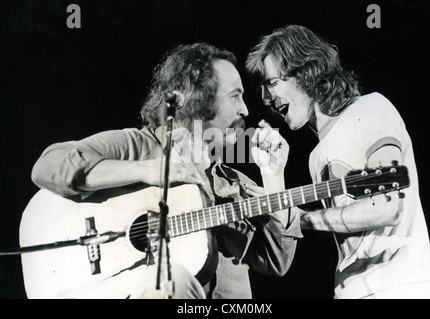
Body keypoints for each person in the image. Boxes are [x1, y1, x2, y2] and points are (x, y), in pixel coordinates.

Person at [29, 42, 301, 299]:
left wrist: (273, 174)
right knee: (173, 279)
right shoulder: (138, 146)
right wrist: (148, 171)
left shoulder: (234, 184)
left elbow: (275, 261)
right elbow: (50, 165)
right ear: (196, 98)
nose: (245, 110)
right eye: (235, 96)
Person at [245, 25, 430, 299]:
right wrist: (272, 172)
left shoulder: (371, 109)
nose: (266, 99)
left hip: (399, 286)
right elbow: (285, 236)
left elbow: (387, 205)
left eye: (272, 83)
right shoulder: (317, 155)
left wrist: (305, 219)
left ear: (305, 71)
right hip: (350, 291)